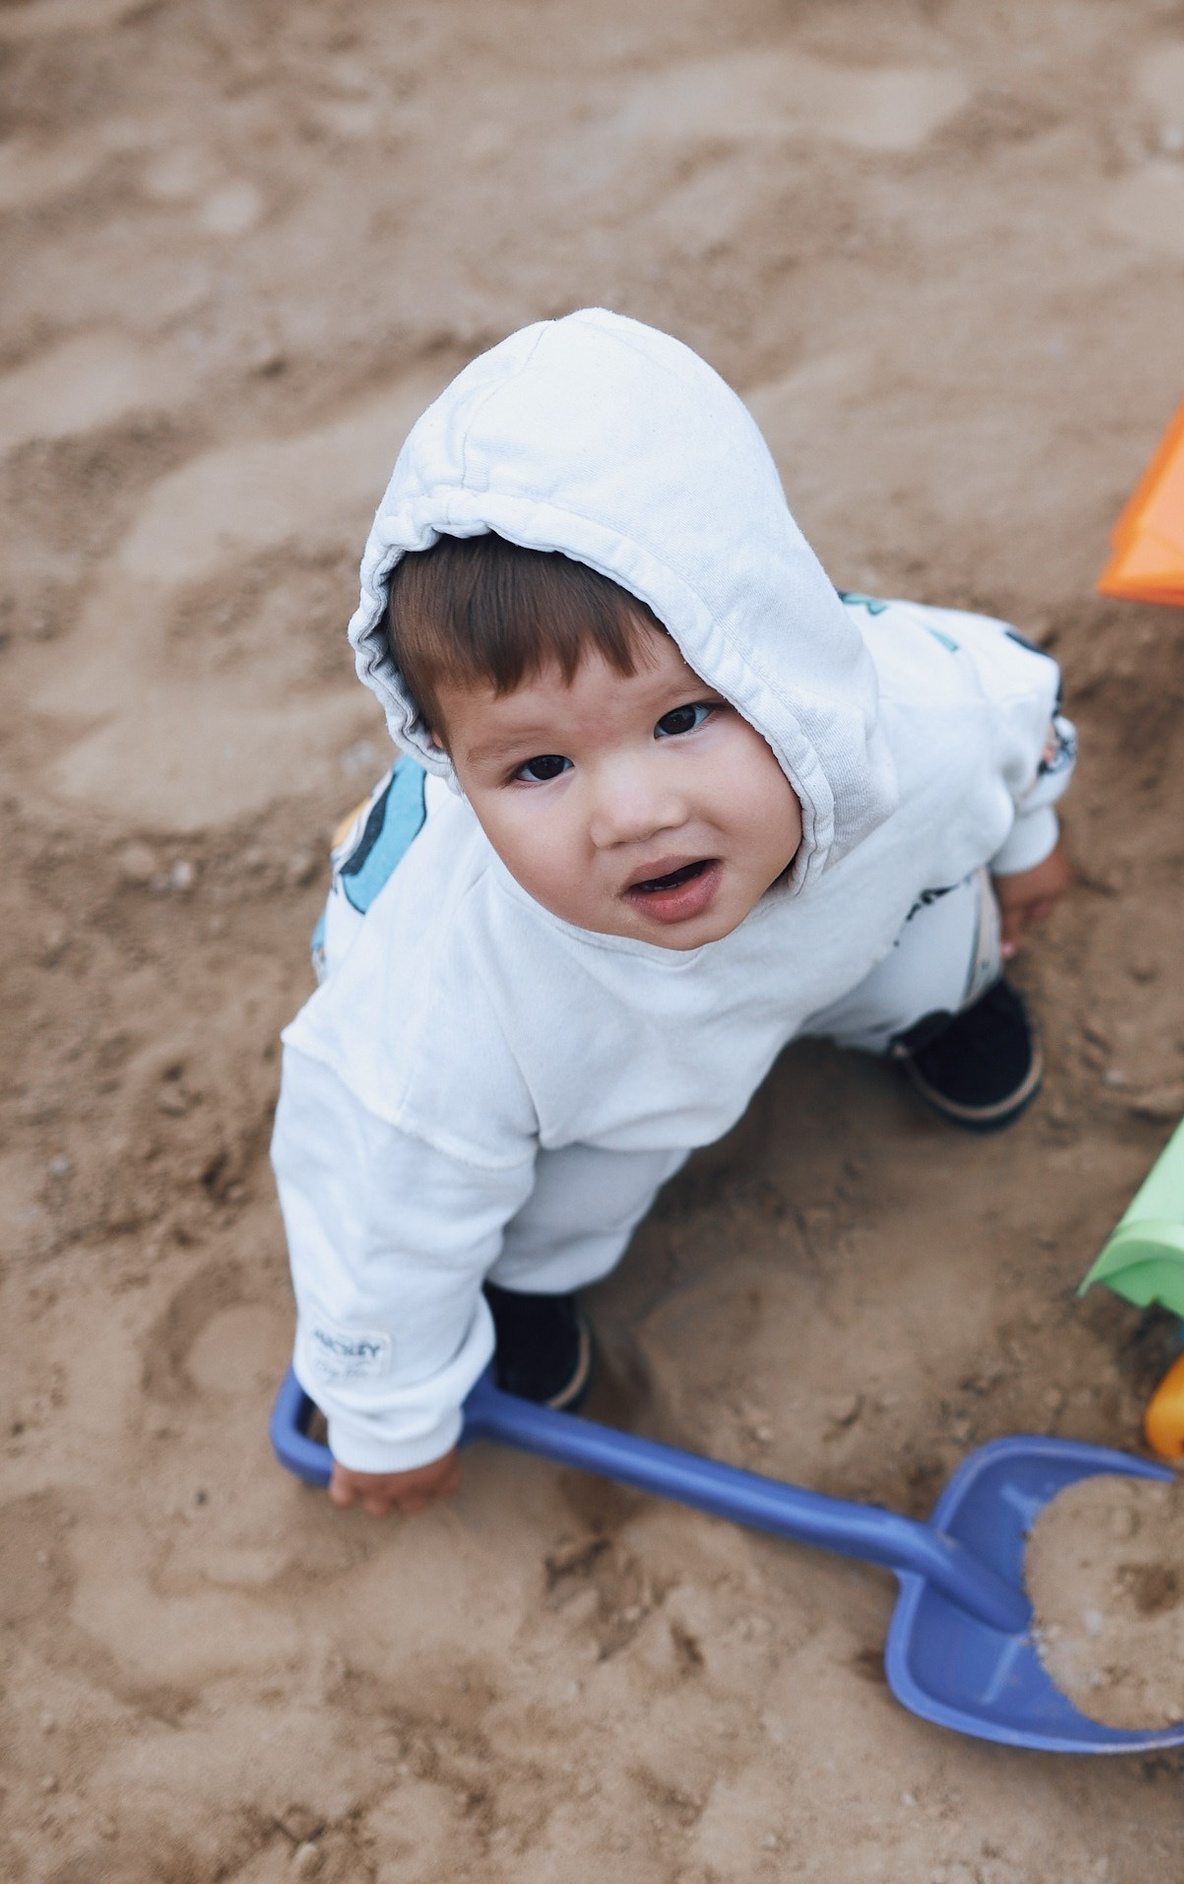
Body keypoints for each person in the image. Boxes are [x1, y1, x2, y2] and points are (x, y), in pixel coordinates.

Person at [274, 310, 1075, 1517]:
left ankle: (930, 1014)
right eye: (537, 767)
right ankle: (528, 1294)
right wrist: (390, 1412)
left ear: (778, 660)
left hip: (838, 915)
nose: (634, 813)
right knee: (544, 1202)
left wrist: (1026, 840)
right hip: (586, 1054)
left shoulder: (909, 718)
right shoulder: (444, 1001)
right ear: (451, 764)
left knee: (934, 930)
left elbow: (1015, 709)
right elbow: (378, 1211)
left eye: (684, 717)